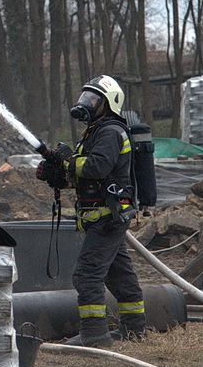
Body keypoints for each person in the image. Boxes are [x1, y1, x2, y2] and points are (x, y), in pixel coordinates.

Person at [39, 75, 146, 348]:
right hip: (103, 216)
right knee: (119, 274)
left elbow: (96, 167)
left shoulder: (110, 131)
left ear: (109, 104)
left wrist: (67, 159)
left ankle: (95, 335)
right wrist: (56, 174)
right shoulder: (96, 131)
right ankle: (134, 329)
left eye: (93, 99)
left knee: (86, 275)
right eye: (85, 96)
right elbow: (85, 176)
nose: (86, 102)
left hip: (108, 217)